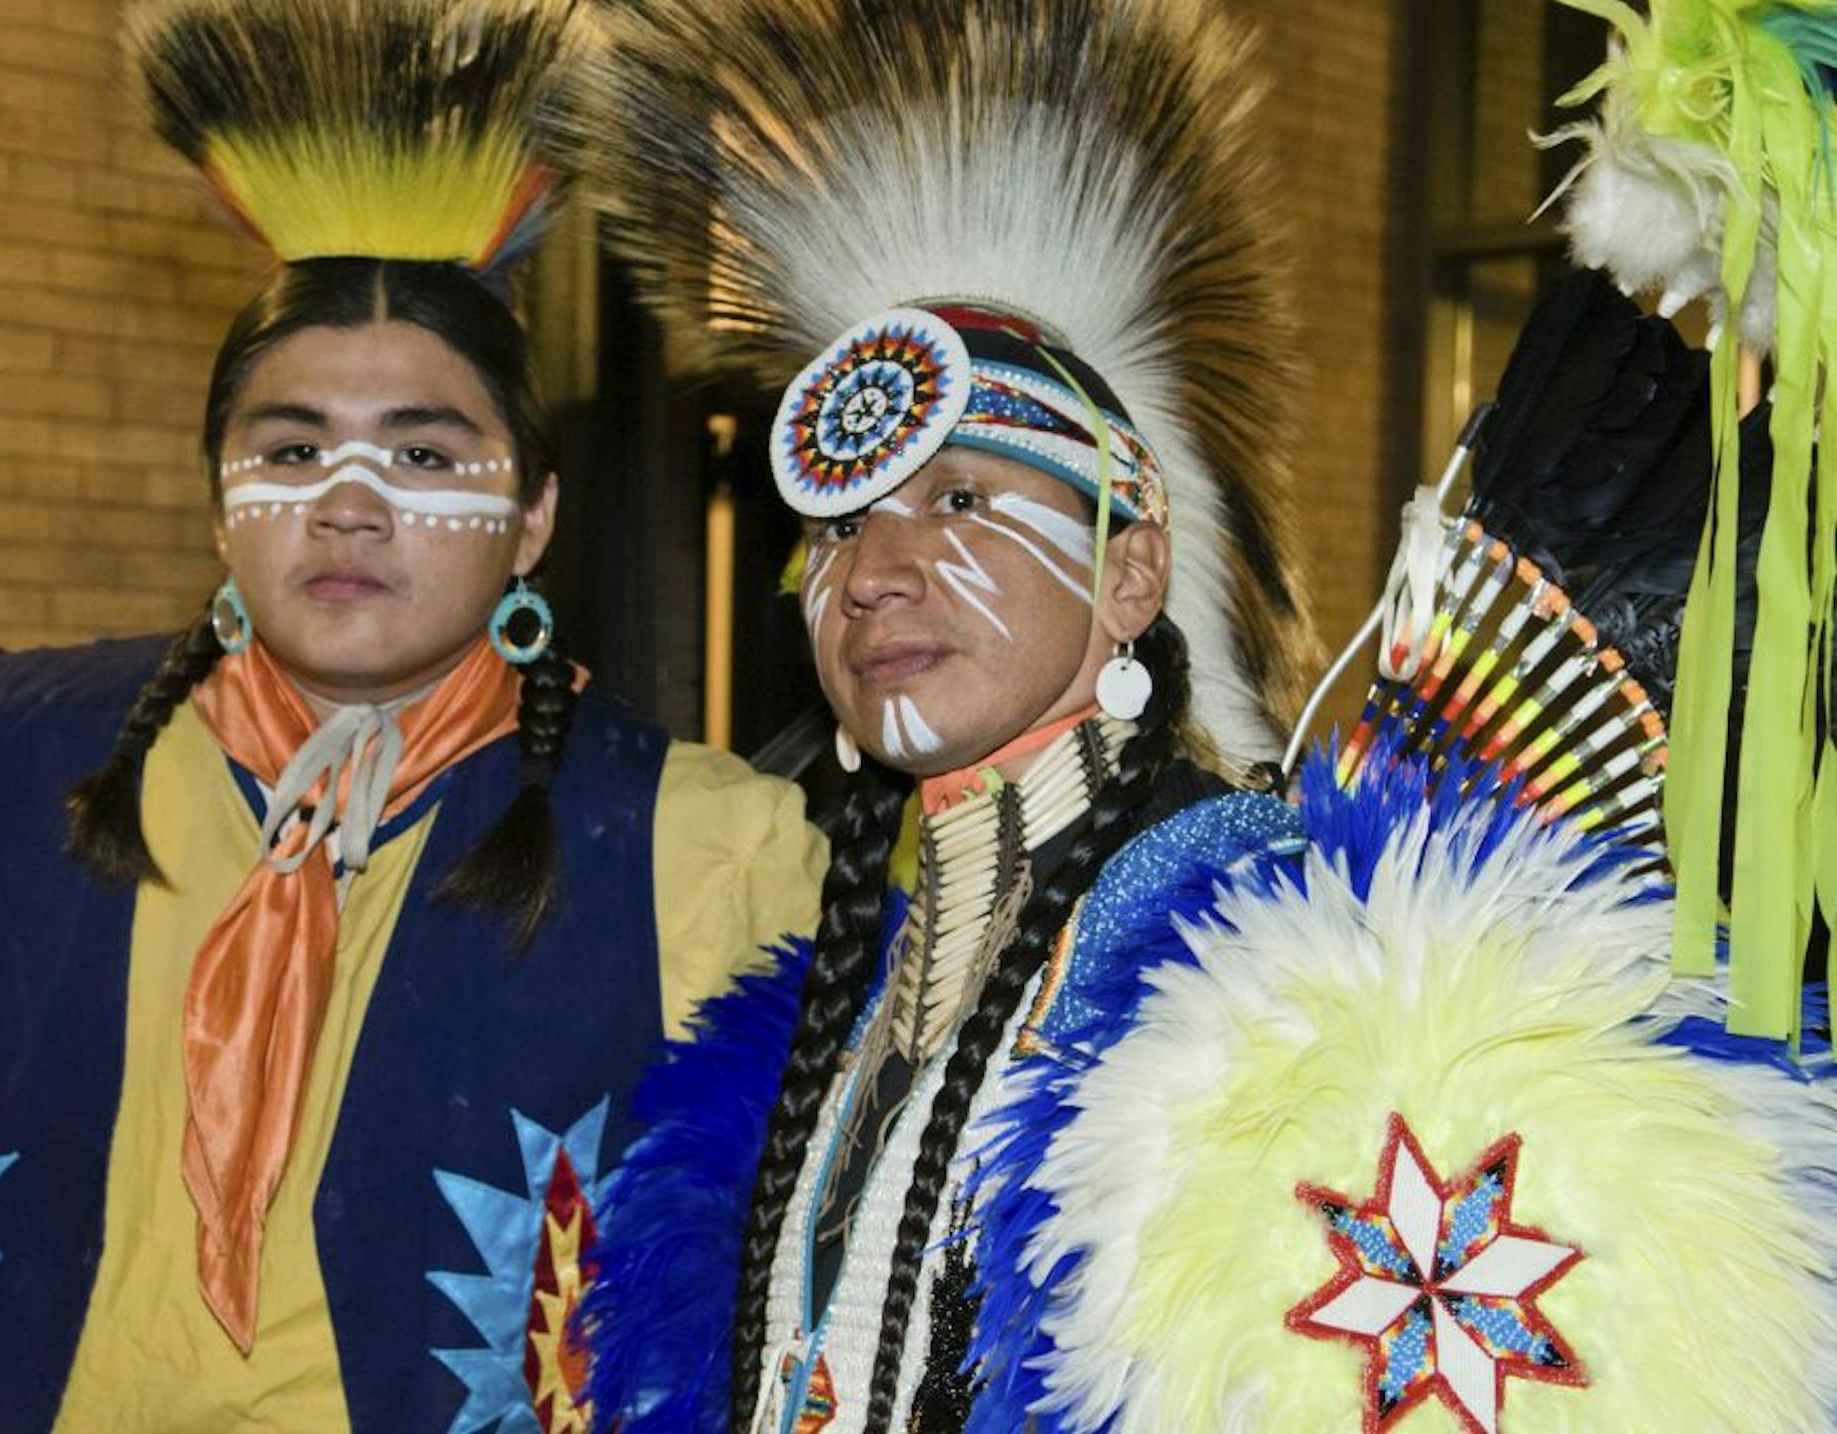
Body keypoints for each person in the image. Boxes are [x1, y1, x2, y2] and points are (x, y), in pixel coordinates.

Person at [570, 1, 1837, 1430]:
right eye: (848, 524)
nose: (880, 568)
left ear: (1131, 570)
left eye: (964, 500)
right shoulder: (833, 1000)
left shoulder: (1292, 972)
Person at [0, 2, 824, 1429]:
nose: (347, 502)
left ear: (530, 519)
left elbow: (780, 1238)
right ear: (219, 494)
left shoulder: (701, 842)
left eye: (423, 449)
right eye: (290, 445)